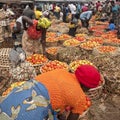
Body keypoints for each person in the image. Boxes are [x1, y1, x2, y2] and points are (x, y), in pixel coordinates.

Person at [0, 65, 102, 120]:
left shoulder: (62, 72)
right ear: (87, 86)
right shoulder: (79, 97)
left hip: (20, 92)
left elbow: (55, 92)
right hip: (32, 108)